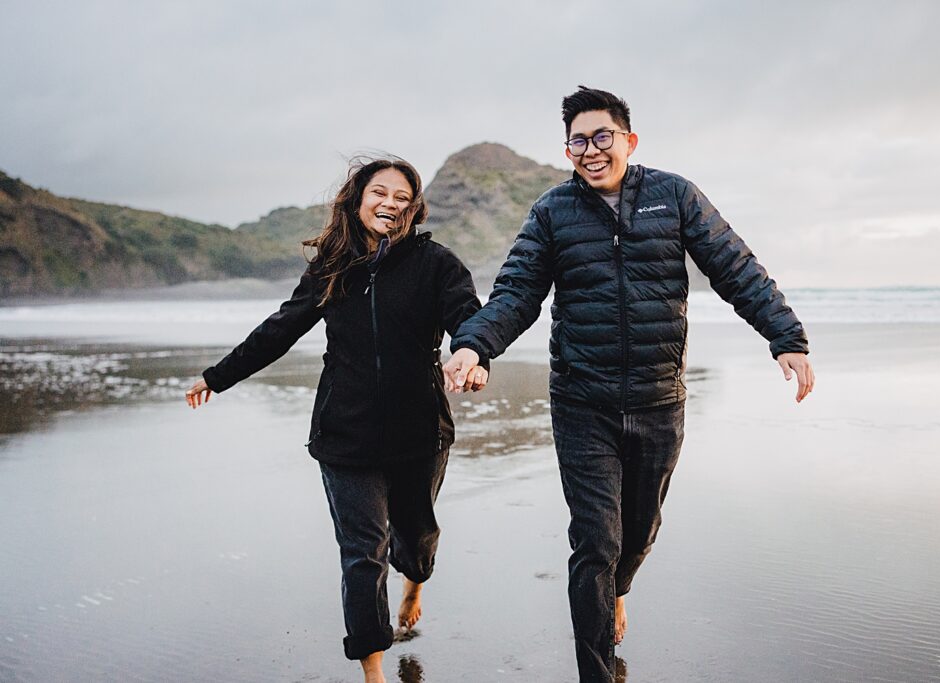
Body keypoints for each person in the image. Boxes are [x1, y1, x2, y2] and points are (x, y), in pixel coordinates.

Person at [443, 86, 815, 682]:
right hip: (581, 402)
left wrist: (786, 336)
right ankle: (596, 669)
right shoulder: (552, 212)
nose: (590, 150)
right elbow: (516, 293)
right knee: (595, 542)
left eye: (602, 137)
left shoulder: (674, 196)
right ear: (568, 150)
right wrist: (472, 343)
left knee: (638, 534)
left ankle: (620, 589)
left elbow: (734, 266)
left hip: (658, 399)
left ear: (628, 140)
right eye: (578, 141)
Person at [184, 155, 488, 683]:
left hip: (420, 431)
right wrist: (219, 375)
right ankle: (372, 670)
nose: (390, 204)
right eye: (380, 193)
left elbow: (467, 314)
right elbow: (281, 328)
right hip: (345, 433)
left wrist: (471, 352)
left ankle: (415, 578)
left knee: (414, 539)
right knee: (361, 552)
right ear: (358, 198)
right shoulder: (332, 267)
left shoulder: (435, 263)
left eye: (402, 198)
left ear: (414, 209)